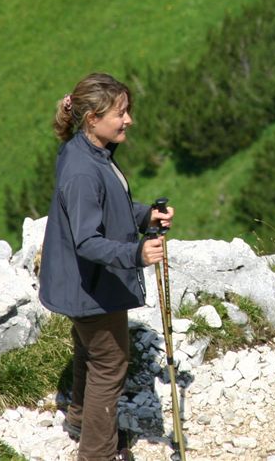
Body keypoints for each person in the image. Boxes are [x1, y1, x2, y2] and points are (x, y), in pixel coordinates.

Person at [38, 72, 173, 461]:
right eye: (120, 112)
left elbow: (107, 210)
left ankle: (81, 418)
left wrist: (146, 215)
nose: (128, 119)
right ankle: (96, 453)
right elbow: (88, 240)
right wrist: (136, 255)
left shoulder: (86, 152)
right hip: (92, 288)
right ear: (92, 118)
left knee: (89, 350)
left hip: (79, 283)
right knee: (111, 363)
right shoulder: (84, 169)